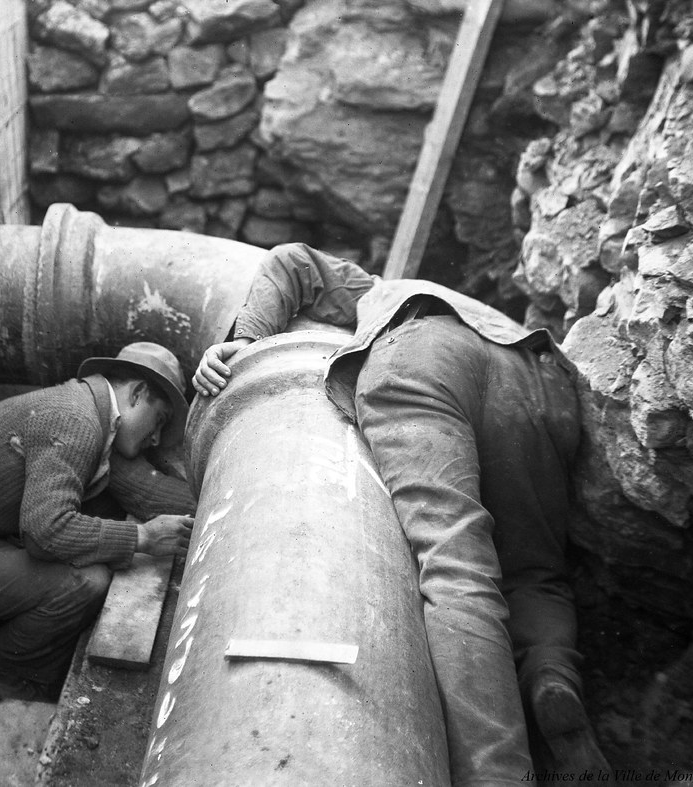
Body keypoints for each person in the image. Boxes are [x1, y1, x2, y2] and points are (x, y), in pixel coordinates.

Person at [193, 244, 611, 785]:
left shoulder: (373, 292)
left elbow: (291, 260)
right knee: (535, 571)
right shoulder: (439, 297)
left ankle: (499, 773)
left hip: (425, 358)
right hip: (538, 378)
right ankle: (552, 675)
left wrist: (244, 343)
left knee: (455, 566)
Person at [0, 342, 196, 702]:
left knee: (97, 532)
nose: (157, 437)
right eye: (159, 419)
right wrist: (142, 537)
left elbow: (145, 493)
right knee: (87, 581)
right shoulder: (76, 421)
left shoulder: (85, 410)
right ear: (138, 393)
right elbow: (46, 532)